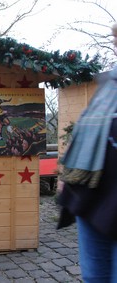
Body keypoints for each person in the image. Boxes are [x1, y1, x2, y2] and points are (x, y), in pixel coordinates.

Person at [56, 22, 117, 282]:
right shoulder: (111, 85)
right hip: (91, 199)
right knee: (94, 277)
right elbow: (88, 130)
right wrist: (67, 174)